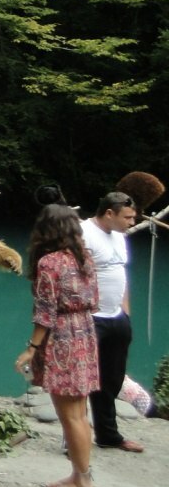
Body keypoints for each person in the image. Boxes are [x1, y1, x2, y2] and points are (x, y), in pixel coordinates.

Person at [14, 204, 101, 487]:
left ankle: (83, 482)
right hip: (86, 334)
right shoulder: (84, 258)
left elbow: (46, 313)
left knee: (70, 417)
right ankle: (80, 475)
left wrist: (31, 348)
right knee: (80, 413)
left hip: (62, 337)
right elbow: (95, 300)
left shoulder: (49, 263)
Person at [80, 191, 145, 453]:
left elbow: (120, 271)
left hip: (116, 316)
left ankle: (108, 435)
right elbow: (75, 276)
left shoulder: (119, 236)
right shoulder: (83, 232)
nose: (131, 222)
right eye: (127, 217)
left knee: (112, 378)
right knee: (81, 379)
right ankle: (75, 437)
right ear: (109, 213)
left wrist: (125, 311)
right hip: (90, 317)